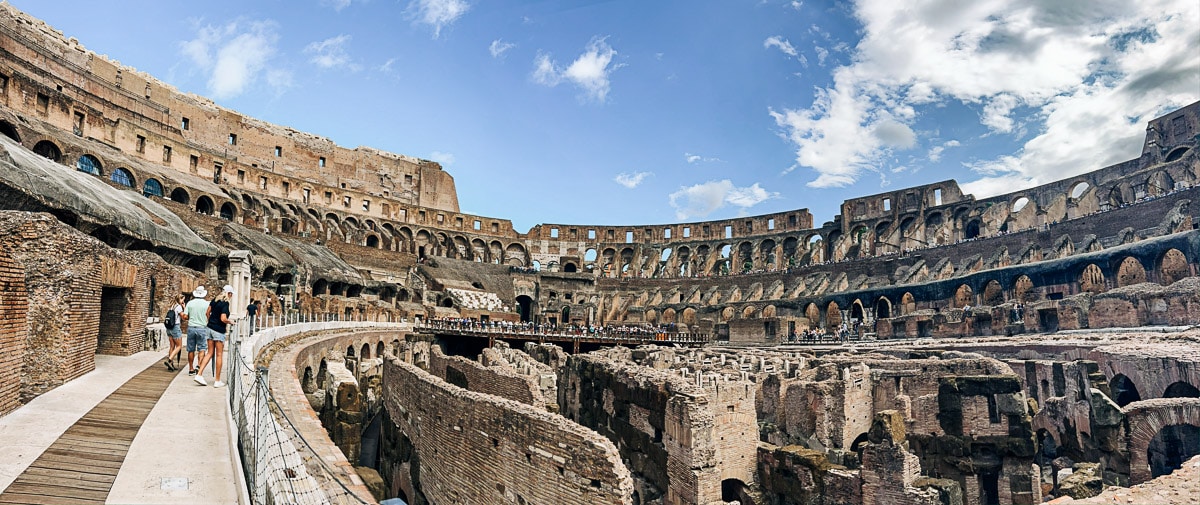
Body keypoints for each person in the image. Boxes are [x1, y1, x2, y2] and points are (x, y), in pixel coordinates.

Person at [195, 284, 232, 388]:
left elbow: (207, 312)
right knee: (219, 355)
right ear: (228, 293)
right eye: (231, 294)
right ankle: (217, 380)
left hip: (210, 328)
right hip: (218, 330)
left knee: (210, 352)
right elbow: (223, 318)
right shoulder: (225, 304)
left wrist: (210, 321)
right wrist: (231, 322)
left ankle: (199, 374)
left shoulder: (214, 300)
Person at [182, 286, 211, 377]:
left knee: (191, 349)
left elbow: (185, 316)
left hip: (191, 327)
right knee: (201, 348)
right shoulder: (207, 304)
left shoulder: (190, 303)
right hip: (202, 327)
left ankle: (191, 368)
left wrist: (190, 317)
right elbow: (208, 315)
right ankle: (199, 365)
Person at [164, 293, 186, 371]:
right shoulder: (179, 307)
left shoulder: (171, 306)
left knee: (172, 346)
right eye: (183, 299)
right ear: (180, 299)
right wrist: (184, 307)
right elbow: (184, 317)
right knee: (179, 346)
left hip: (169, 328)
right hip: (175, 327)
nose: (183, 301)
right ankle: (169, 359)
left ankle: (171, 364)